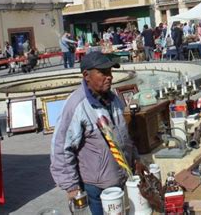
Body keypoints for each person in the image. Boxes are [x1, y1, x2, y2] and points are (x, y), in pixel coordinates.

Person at [50, 52, 143, 215]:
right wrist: (71, 187)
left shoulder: (113, 99)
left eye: (110, 72)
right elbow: (61, 147)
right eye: (103, 72)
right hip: (97, 188)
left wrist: (135, 158)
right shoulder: (76, 105)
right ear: (86, 75)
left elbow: (124, 135)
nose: (110, 77)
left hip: (121, 180)